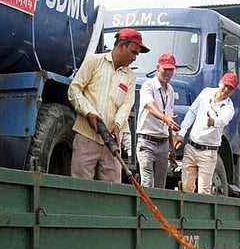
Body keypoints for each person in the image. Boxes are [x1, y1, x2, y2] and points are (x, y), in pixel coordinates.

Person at [68, 28, 147, 182]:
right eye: (133, 52)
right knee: (80, 187)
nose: (135, 58)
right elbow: (74, 90)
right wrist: (88, 113)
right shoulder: (94, 62)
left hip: (112, 142)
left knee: (112, 190)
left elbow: (127, 105)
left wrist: (117, 125)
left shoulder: (130, 76)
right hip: (87, 136)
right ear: (122, 45)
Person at [174, 72, 238, 194]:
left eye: (230, 88)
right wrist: (182, 133)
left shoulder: (229, 108)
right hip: (191, 147)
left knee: (204, 190)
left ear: (233, 91)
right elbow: (192, 112)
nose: (226, 89)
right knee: (186, 187)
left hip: (208, 152)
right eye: (225, 85)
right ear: (220, 83)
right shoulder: (206, 93)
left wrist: (212, 121)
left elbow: (223, 120)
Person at [136, 53, 181, 188]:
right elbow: (150, 106)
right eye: (165, 69)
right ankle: (144, 208)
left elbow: (169, 119)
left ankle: (156, 209)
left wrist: (172, 146)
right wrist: (165, 119)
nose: (168, 72)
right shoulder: (148, 85)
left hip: (163, 143)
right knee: (147, 182)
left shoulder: (171, 90)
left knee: (160, 184)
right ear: (157, 68)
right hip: (147, 140)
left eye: (171, 69)